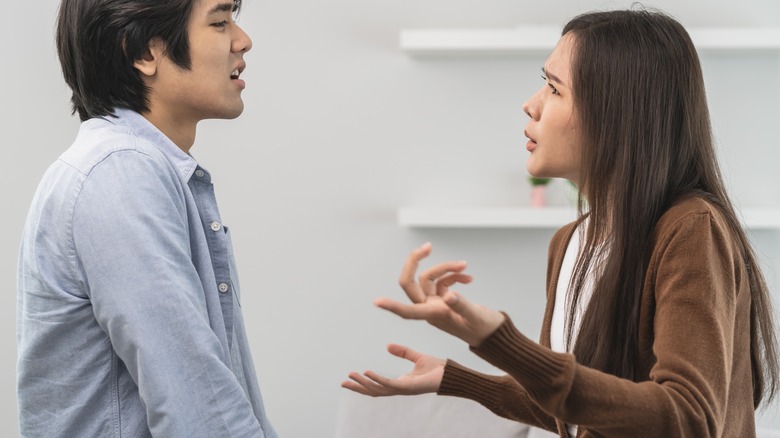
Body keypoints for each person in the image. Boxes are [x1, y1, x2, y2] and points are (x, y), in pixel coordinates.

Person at [342, 9, 779, 438]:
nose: (530, 105)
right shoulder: (571, 241)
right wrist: (456, 379)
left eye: (554, 89)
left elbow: (688, 420)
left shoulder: (689, 228)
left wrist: (500, 338)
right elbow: (577, 411)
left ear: (618, 113)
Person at [16, 0, 278, 436]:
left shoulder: (141, 168)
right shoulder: (119, 173)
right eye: (219, 22)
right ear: (143, 53)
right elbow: (198, 407)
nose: (242, 40)